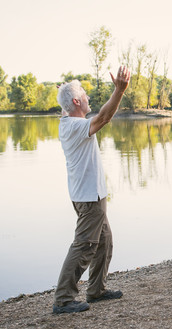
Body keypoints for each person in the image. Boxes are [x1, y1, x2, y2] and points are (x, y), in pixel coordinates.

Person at [53, 66, 131, 314]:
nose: (88, 97)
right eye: (84, 95)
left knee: (104, 242)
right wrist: (119, 90)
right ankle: (64, 299)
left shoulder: (70, 121)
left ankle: (96, 290)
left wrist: (64, 92)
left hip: (92, 194)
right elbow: (104, 117)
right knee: (84, 246)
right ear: (76, 102)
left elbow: (92, 115)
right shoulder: (76, 126)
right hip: (88, 197)